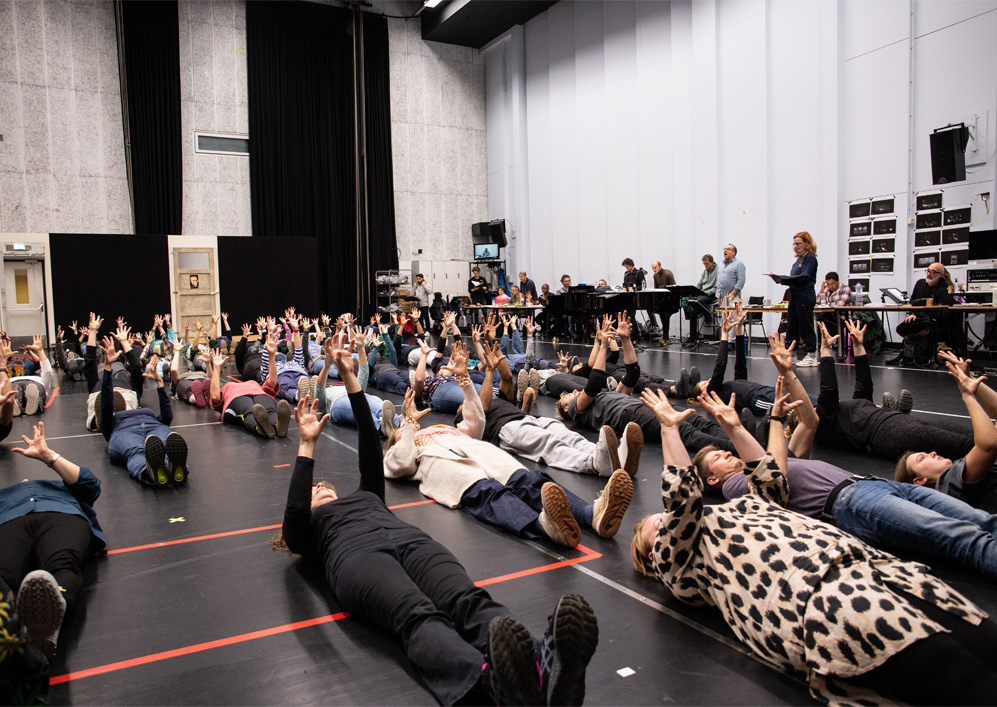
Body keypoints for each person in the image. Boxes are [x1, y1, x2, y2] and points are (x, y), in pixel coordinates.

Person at [277, 340, 599, 707]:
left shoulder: (368, 492)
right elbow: (293, 523)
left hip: (408, 539)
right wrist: (306, 447)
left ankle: (539, 666)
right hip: (355, 556)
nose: (318, 485)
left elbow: (369, 439)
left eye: (321, 484)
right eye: (314, 487)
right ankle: (486, 683)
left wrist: (350, 376)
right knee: (416, 615)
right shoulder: (312, 529)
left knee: (466, 597)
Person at [631, 385, 997, 707]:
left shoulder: (742, 506)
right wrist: (668, 428)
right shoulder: (676, 565)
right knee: (960, 676)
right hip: (824, 601)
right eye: (655, 527)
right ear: (653, 553)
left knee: (982, 639)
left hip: (868, 569)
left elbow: (770, 476)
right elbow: (682, 501)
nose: (661, 521)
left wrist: (737, 427)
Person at [691, 335, 997, 581]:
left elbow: (810, 421)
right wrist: (757, 423)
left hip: (875, 485)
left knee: (983, 521)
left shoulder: (779, 459)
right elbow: (774, 477)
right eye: (717, 457)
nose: (726, 453)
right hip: (852, 503)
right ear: (713, 478)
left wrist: (788, 373)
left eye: (722, 450)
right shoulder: (734, 488)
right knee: (961, 539)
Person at [3, 422, 106, 659]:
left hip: (61, 514)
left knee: (63, 563)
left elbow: (90, 485)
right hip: (9, 520)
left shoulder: (63, 489)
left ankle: (52, 614)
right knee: (3, 577)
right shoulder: (3, 498)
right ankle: (10, 629)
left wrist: (48, 456)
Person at [814, 322, 972, 461]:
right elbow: (829, 391)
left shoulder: (843, 412)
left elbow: (864, 384)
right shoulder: (823, 426)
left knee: (970, 435)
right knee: (964, 445)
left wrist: (858, 346)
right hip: (884, 433)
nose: (815, 407)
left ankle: (895, 409)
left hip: (894, 419)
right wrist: (825, 351)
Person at [895, 350, 997, 512]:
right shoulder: (947, 484)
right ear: (920, 480)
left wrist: (969, 380)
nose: (933, 453)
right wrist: (967, 395)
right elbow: (989, 444)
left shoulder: (957, 475)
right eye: (923, 458)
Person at [98, 338, 189, 487]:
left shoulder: (145, 411)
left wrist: (160, 384)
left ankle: (174, 469)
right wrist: (108, 367)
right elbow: (106, 403)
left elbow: (166, 417)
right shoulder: (111, 421)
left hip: (155, 427)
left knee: (167, 445)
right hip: (124, 431)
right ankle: (149, 472)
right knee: (137, 450)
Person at [209, 336, 292, 439]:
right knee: (250, 410)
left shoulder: (255, 384)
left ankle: (277, 425)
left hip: (259, 393)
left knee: (269, 410)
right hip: (235, 397)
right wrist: (216, 368)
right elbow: (215, 397)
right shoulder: (226, 388)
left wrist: (271, 355)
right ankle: (260, 428)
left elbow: (272, 383)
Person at [887, 261, 953, 366]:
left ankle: (918, 356)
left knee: (918, 331)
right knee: (902, 328)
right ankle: (910, 355)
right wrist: (913, 314)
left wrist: (930, 328)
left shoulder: (943, 289)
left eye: (933, 272)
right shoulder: (920, 283)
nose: (929, 274)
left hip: (932, 320)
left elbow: (943, 313)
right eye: (928, 271)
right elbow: (913, 302)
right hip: (918, 318)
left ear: (941, 274)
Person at [772, 231, 818, 366]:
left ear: (807, 243)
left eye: (799, 243)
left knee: (806, 325)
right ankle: (792, 354)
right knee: (792, 325)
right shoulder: (798, 260)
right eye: (795, 244)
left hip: (805, 295)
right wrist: (781, 280)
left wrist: (784, 280)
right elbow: (795, 278)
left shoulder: (810, 258)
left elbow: (804, 277)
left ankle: (811, 355)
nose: (796, 246)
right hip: (795, 295)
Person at [5, 336, 53, 416]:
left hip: (12, 381)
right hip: (35, 381)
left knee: (12, 390)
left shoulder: (28, 359)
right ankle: (37, 402)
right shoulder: (11, 360)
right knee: (36, 389)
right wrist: (40, 350)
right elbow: (47, 371)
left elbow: (38, 363)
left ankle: (14, 400)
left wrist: (31, 352)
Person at [684, 254, 717, 345]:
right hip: (703, 295)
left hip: (712, 294)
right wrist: (695, 292)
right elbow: (700, 283)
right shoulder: (704, 272)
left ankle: (708, 317)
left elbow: (716, 287)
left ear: (712, 262)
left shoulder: (718, 271)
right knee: (692, 311)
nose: (705, 266)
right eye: (704, 264)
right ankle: (692, 337)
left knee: (699, 301)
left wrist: (705, 293)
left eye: (706, 264)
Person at [649, 261, 677, 344]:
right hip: (662, 300)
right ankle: (665, 336)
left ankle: (665, 336)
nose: (654, 270)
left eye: (655, 268)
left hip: (670, 300)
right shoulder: (655, 276)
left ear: (660, 266)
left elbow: (674, 288)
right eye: (652, 268)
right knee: (662, 315)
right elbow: (656, 289)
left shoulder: (668, 273)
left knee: (666, 315)